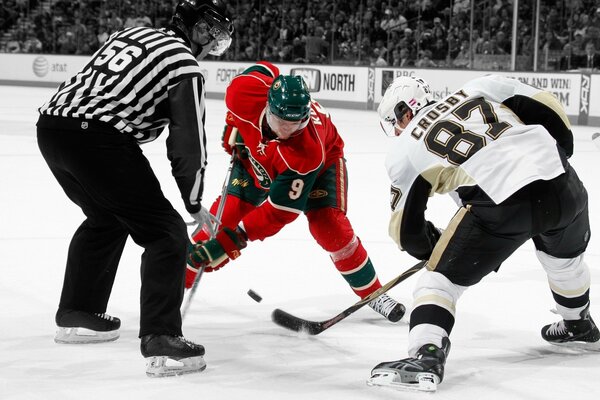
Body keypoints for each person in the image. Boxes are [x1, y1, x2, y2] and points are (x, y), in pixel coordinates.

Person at [36, 0, 234, 377]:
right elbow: (187, 143)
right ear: (201, 31)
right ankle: (161, 339)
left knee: (105, 217)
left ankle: (78, 311)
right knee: (165, 232)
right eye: (216, 39)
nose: (213, 49)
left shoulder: (130, 34)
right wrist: (193, 204)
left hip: (51, 129)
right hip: (99, 139)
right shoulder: (184, 64)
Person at [367, 75, 598, 391]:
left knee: (438, 281)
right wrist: (560, 152)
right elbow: (547, 105)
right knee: (564, 263)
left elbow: (407, 231)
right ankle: (578, 323)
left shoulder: (404, 150)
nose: (395, 130)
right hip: (562, 182)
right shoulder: (480, 86)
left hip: (501, 203)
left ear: (407, 111)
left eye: (395, 121)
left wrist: (433, 249)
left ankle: (427, 355)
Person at [186, 61, 406, 322]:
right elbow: (266, 68)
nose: (288, 130)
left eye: (296, 123)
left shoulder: (307, 151)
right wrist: (234, 122)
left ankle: (374, 293)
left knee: (328, 227)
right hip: (256, 158)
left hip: (321, 166)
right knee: (213, 227)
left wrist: (231, 242)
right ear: (269, 106)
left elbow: (279, 212)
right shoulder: (242, 93)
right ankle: (172, 285)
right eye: (282, 122)